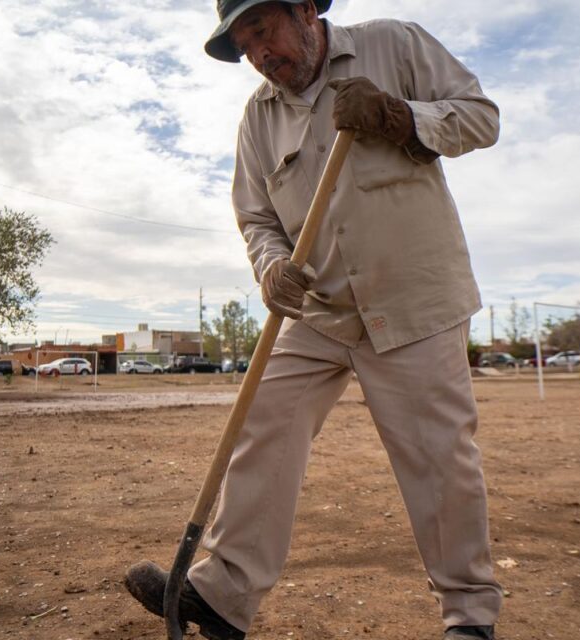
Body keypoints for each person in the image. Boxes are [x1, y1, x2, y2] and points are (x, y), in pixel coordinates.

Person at [126, 1, 502, 638]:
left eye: (263, 31)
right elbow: (256, 217)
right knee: (262, 427)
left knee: (440, 458)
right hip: (318, 308)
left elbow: (481, 118)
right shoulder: (258, 116)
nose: (259, 56)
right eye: (244, 46)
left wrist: (399, 115)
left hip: (413, 299)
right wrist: (271, 266)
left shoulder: (393, 45)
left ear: (303, 8)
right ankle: (221, 595)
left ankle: (469, 616)